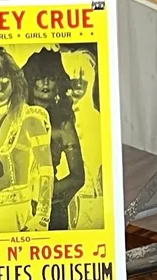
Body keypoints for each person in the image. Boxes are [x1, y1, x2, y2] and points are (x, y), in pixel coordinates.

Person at [0, 48, 54, 234]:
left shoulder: (30, 117)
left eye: (4, 82)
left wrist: (42, 217)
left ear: (14, 83)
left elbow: (46, 170)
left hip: (16, 209)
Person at [23, 49, 84, 230]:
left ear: (59, 82)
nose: (46, 82)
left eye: (51, 77)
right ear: (30, 80)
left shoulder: (63, 124)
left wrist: (45, 195)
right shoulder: (17, 117)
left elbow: (78, 178)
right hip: (17, 206)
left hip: (51, 208)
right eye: (40, 77)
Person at [61, 47, 104, 229]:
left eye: (83, 77)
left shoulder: (98, 120)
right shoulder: (57, 120)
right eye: (72, 77)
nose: (78, 83)